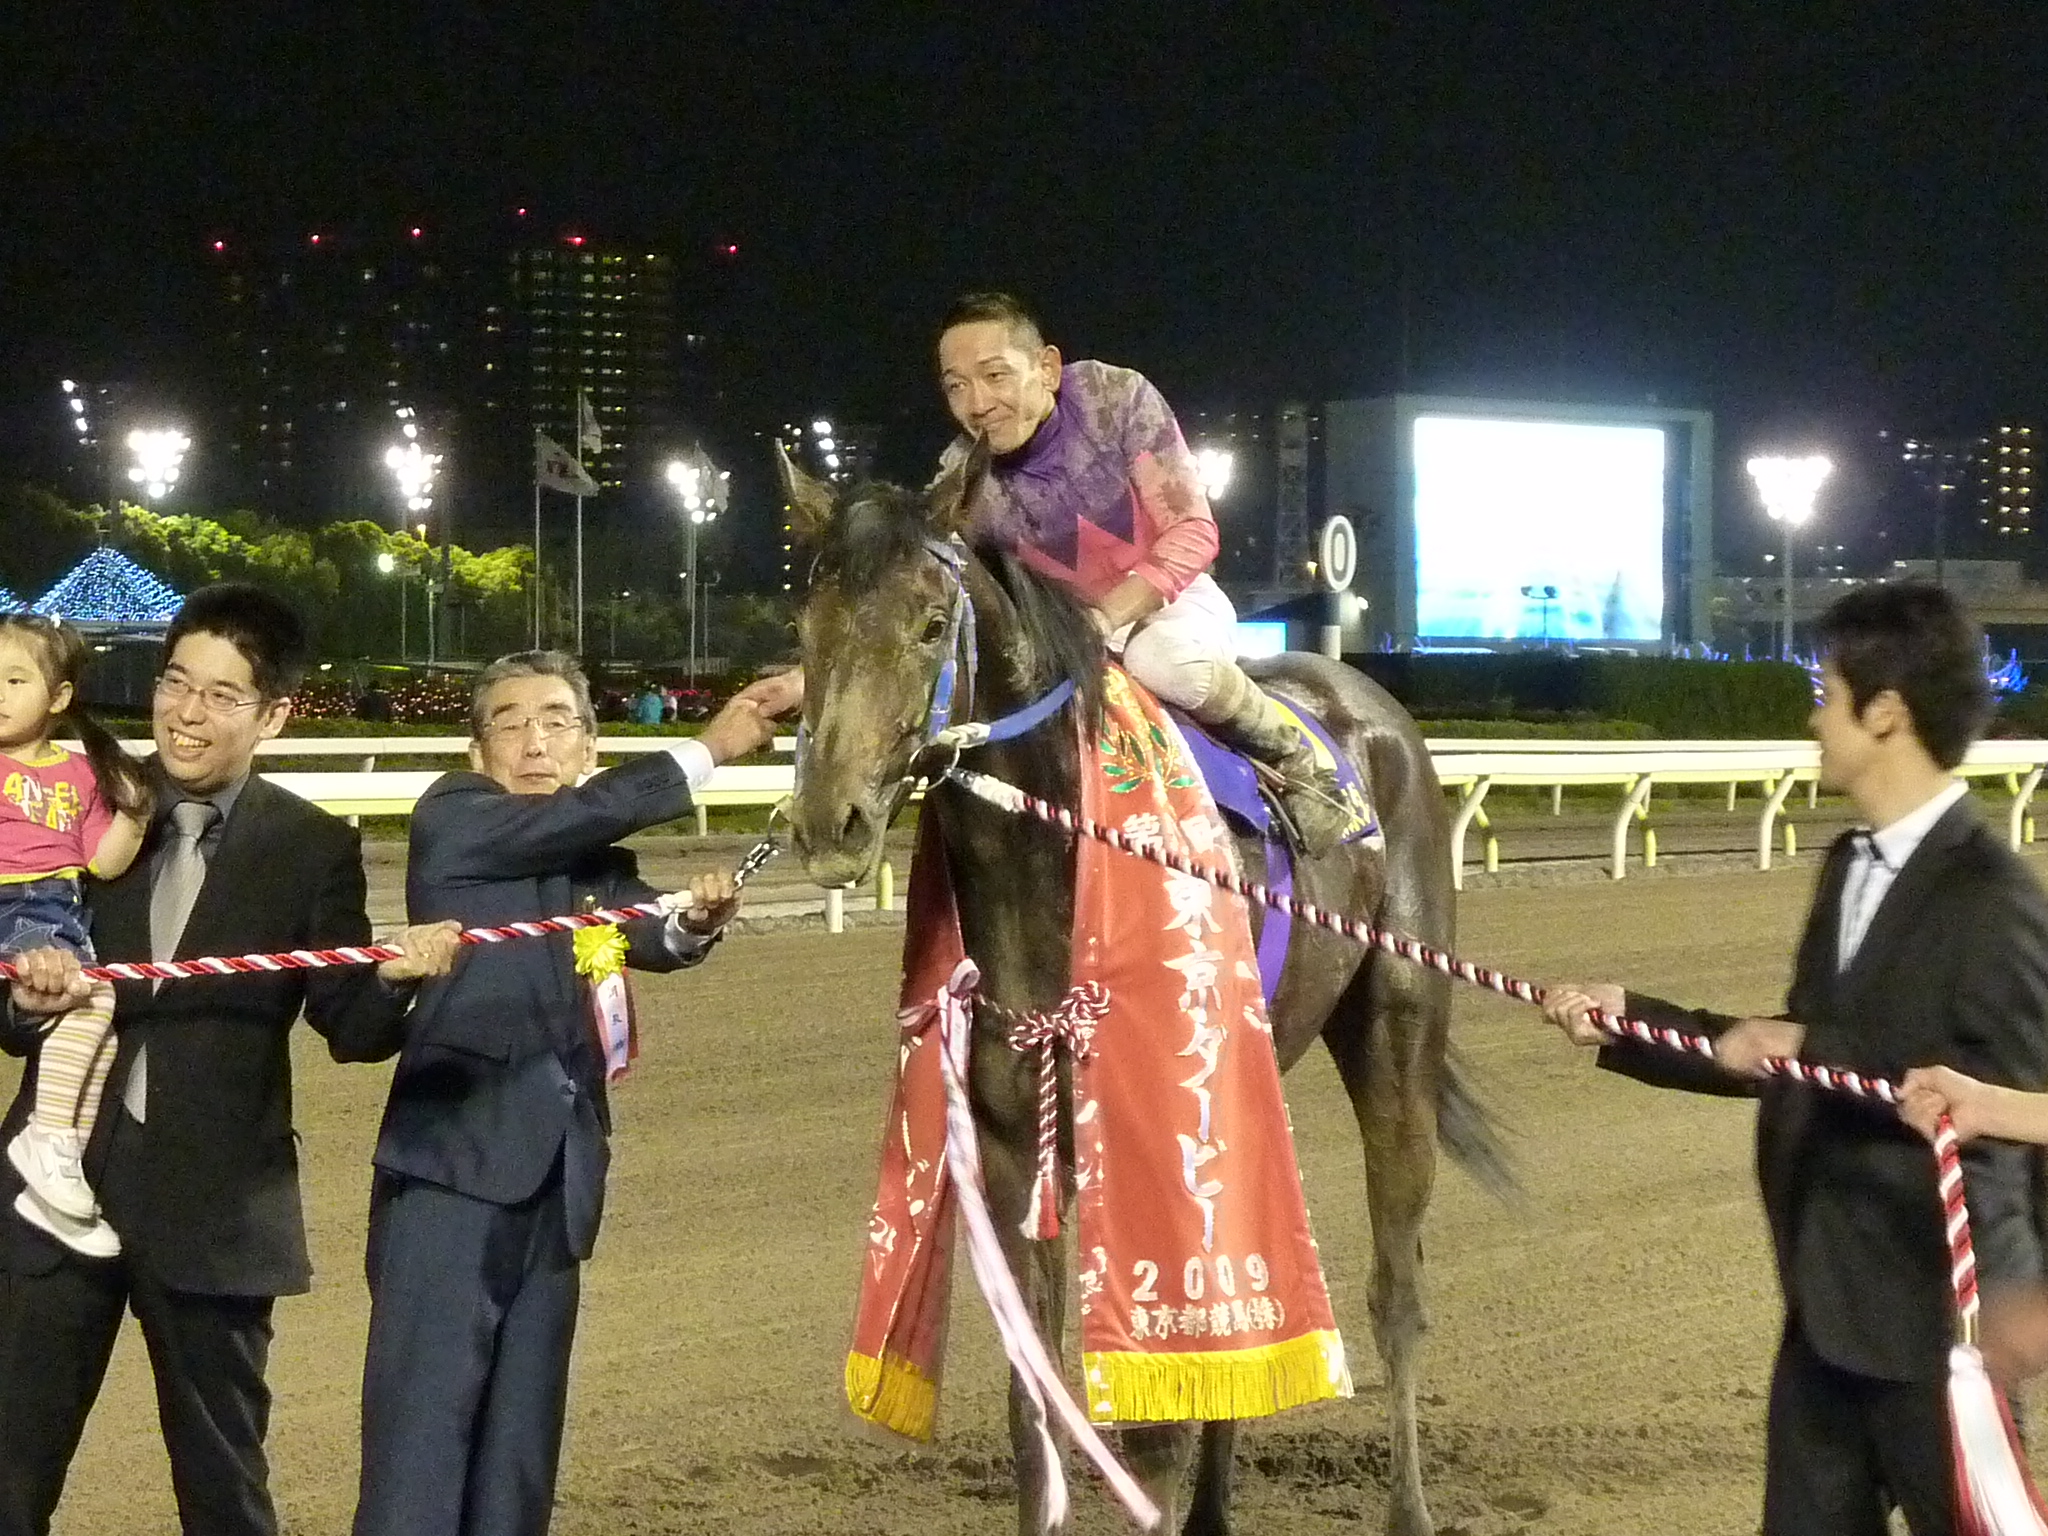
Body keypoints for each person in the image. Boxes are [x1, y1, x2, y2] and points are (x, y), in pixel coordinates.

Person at [1543, 582, 2048, 1536]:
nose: (1814, 718)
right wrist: (1632, 1024)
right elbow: (1793, 1051)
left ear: (1885, 712)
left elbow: (2027, 1104)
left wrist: (2033, 1296)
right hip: (1823, 1319)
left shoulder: (1995, 899)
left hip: (1940, 1337)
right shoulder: (1847, 863)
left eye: (1826, 694)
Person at [0, 583, 462, 1536]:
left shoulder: (311, 846)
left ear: (274, 715)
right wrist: (23, 999)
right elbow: (15, 999)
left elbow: (350, 1027)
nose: (186, 712)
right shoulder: (92, 799)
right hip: (53, 1194)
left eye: (221, 695)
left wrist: (396, 979)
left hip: (216, 1212)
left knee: (224, 1493)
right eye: (175, 682)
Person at [352, 651, 801, 1536]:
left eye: (557, 722)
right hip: (450, 1177)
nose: (535, 742)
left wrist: (693, 922)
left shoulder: (594, 868)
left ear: (588, 747)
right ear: (476, 753)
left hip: (561, 1184)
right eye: (511, 723)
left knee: (519, 1457)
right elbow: (587, 814)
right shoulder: (454, 819)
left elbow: (646, 933)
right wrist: (709, 749)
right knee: (420, 1452)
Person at [782, 291, 1349, 853]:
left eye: (995, 376)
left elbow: (1194, 532)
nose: (978, 403)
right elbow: (910, 606)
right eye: (956, 386)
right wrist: (820, 674)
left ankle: (1295, 758)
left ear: (1048, 368)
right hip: (1063, 645)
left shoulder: (1113, 398)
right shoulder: (963, 473)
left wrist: (1105, 618)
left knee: (1163, 661)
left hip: (1169, 607)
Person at [0, 616, 152, 1257]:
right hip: (13, 906)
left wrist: (136, 815)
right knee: (97, 1001)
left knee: (102, 1031)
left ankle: (57, 1181)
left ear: (59, 696)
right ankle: (50, 1144)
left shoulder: (82, 771)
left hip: (64, 906)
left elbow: (103, 863)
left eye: (15, 680)